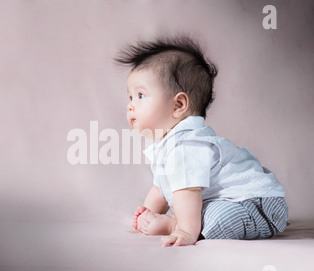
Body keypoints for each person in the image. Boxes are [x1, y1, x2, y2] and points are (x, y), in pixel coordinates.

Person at [115, 36, 288, 247]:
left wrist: (185, 230)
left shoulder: (186, 146)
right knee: (202, 210)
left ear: (178, 104)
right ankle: (180, 221)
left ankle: (174, 223)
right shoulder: (169, 144)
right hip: (240, 201)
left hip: (258, 204)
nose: (130, 106)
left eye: (140, 95)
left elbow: (187, 192)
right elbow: (162, 187)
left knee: (215, 218)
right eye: (130, 97)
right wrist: (148, 213)